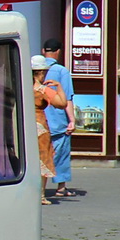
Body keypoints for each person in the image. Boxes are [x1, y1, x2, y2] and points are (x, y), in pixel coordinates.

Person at [41, 39, 76, 198]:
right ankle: (61, 187)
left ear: (43, 51)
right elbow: (67, 98)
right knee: (60, 152)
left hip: (40, 119)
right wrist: (72, 120)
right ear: (58, 51)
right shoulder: (62, 71)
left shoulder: (34, 70)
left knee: (41, 153)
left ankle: (40, 187)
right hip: (58, 121)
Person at [31, 55, 67, 206]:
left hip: (24, 124)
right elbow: (62, 103)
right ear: (41, 73)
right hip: (40, 125)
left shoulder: (23, 87)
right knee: (42, 159)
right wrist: (58, 87)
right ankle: (40, 195)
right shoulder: (42, 89)